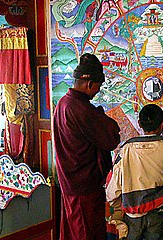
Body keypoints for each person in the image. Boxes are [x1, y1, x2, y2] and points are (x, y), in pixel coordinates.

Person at [53, 53, 121, 240]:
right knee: (87, 233)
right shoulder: (81, 109)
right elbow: (111, 138)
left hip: (70, 183)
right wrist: (100, 114)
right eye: (98, 86)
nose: (98, 91)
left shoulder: (63, 103)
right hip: (83, 187)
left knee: (73, 232)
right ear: (89, 84)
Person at [106, 104, 163, 239]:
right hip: (158, 213)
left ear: (139, 123)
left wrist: (117, 206)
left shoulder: (126, 150)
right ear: (162, 124)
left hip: (132, 215)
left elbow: (113, 187)